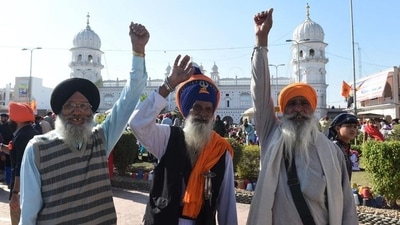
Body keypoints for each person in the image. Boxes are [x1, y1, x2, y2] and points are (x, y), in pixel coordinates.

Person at [19, 21, 149, 224]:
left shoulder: (100, 140)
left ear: (91, 112)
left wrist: (138, 52)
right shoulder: (38, 149)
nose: (77, 112)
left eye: (84, 106)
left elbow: (129, 99)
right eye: (70, 105)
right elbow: (28, 213)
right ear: (60, 111)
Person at [246, 8, 358, 225]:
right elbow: (260, 92)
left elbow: (346, 206)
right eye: (292, 104)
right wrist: (261, 42)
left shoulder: (331, 152)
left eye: (304, 103)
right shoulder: (272, 136)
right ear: (283, 110)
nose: (298, 108)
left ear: (313, 109)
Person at [129, 57, 238, 225]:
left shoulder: (221, 150)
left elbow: (227, 203)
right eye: (197, 107)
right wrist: (168, 86)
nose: (203, 114)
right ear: (187, 110)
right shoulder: (167, 138)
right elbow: (137, 123)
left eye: (208, 109)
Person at [0, 102, 39, 225]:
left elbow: (20, 166)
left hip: (23, 191)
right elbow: (14, 151)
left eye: (11, 116)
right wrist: (2, 147)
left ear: (17, 118)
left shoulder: (22, 136)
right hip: (30, 189)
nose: (9, 119)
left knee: (18, 220)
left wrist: (16, 194)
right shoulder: (28, 133)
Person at [328, 113, 359, 180]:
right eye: (348, 126)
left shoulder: (345, 146)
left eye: (355, 127)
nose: (352, 129)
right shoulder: (334, 147)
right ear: (337, 129)